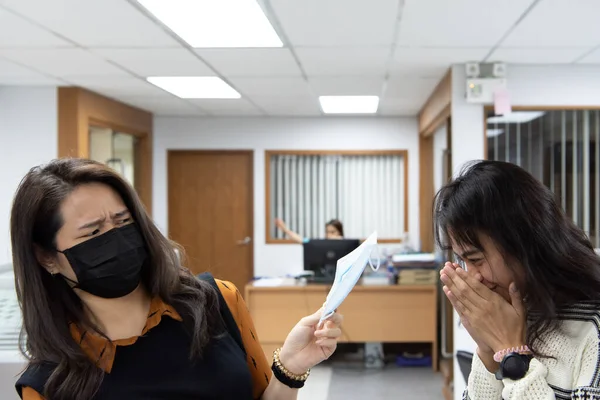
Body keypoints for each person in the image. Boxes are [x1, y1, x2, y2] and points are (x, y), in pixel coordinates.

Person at [12, 158, 343, 400]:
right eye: (93, 232)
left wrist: (290, 367)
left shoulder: (217, 300)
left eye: (123, 220)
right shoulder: (48, 382)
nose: (116, 238)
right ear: (46, 257)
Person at [434, 160, 600, 399]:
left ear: (522, 244)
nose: (473, 277)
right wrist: (488, 351)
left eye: (476, 259)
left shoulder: (592, 329)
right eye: (462, 261)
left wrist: (512, 354)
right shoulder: (513, 310)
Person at [275, 218, 344, 244]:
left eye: (332, 232)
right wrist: (285, 229)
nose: (329, 235)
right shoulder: (320, 244)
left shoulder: (346, 245)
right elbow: (301, 240)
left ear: (339, 232)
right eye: (327, 232)